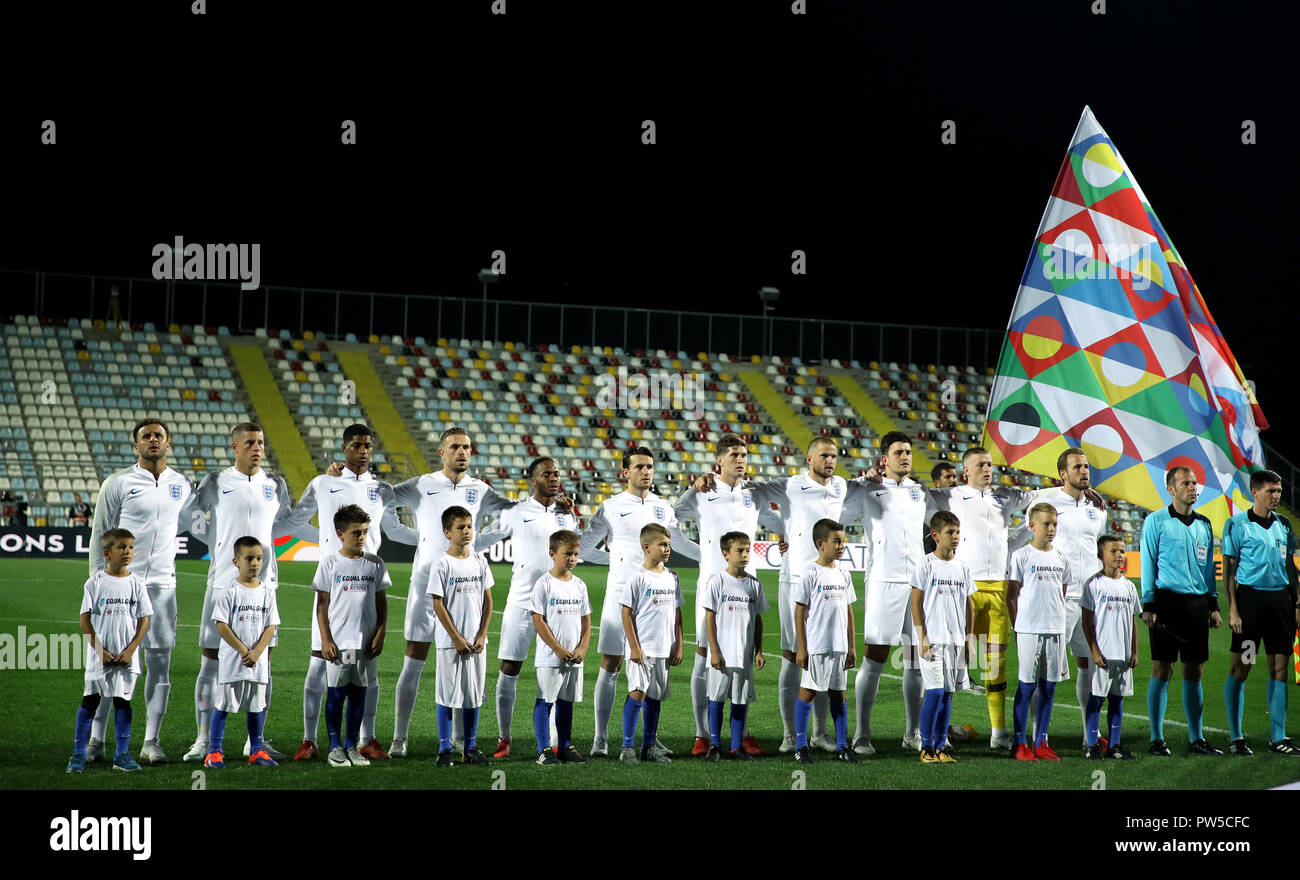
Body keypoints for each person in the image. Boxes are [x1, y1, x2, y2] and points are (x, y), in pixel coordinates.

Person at [388, 427, 567, 757]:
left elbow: (520, 507)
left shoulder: (481, 490)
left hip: (467, 590)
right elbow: (381, 497)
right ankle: (400, 737)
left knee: (465, 658)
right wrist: (404, 535)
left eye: (467, 447)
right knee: (413, 660)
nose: (462, 452)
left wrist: (556, 504)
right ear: (442, 453)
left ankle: (459, 740)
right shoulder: (422, 485)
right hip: (426, 585)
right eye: (455, 447)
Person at [279, 424, 416, 762]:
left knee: (368, 668)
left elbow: (395, 528)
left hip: (368, 585)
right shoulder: (323, 483)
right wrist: (326, 539)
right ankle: (310, 740)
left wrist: (432, 542)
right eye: (357, 445)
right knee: (318, 665)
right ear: (344, 448)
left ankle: (366, 738)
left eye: (369, 445)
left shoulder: (382, 489)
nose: (364, 451)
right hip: (334, 584)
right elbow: (296, 522)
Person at [181, 423, 297, 763]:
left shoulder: (275, 485)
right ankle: (204, 740)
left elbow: (284, 522)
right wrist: (215, 542)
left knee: (263, 660)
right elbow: (189, 515)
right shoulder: (217, 481)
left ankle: (254, 741)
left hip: (265, 586)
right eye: (249, 442)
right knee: (211, 659)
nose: (257, 448)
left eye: (261, 442)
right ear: (235, 447)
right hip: (222, 582)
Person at [741, 436, 862, 753]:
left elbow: (865, 489)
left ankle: (820, 734)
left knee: (824, 657)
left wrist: (874, 478)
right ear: (809, 459)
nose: (830, 461)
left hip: (828, 579)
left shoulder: (841, 487)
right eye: (824, 455)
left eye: (834, 456)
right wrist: (782, 529)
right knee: (793, 659)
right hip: (794, 578)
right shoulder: (792, 485)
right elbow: (754, 491)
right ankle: (789, 734)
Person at [578, 446, 699, 758]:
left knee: (655, 666)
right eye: (639, 467)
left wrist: (712, 555)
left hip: (655, 601)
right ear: (625, 472)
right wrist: (615, 562)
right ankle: (601, 738)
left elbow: (680, 542)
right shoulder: (611, 506)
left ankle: (649, 739)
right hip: (621, 595)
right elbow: (585, 547)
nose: (646, 472)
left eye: (650, 466)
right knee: (611, 664)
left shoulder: (662, 506)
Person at [85, 418, 193, 765]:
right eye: (146, 436)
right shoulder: (118, 484)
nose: (152, 440)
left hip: (163, 587)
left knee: (160, 665)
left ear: (168, 443)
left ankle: (151, 742)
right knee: (110, 664)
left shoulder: (182, 484)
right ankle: (96, 741)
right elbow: (100, 533)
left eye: (158, 435)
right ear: (137, 446)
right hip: (120, 586)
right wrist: (99, 583)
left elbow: (198, 522)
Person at [470, 456, 580, 759]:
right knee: (510, 668)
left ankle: (556, 740)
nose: (554, 478)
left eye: (557, 473)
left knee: (557, 670)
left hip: (558, 606)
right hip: (521, 601)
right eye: (547, 474)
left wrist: (572, 514)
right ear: (533, 480)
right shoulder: (517, 512)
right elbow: (482, 539)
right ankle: (504, 739)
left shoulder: (565, 515)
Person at [1008, 447, 1109, 752]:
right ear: (1063, 473)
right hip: (1055, 599)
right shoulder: (1045, 502)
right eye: (1077, 467)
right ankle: (1040, 739)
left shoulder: (1097, 509)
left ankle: (1089, 733)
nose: (1085, 472)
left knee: (1090, 665)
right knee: (1039, 672)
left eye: (1086, 467)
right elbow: (1017, 538)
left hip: (1089, 598)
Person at [674, 433, 767, 757]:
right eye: (734, 455)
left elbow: (778, 520)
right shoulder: (704, 492)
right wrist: (692, 487)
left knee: (742, 662)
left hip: (745, 588)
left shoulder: (753, 494)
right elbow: (673, 518)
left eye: (743, 455)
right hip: (712, 587)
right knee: (705, 660)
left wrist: (787, 539)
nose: (740, 460)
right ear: (720, 461)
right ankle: (704, 734)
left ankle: (741, 734)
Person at [850, 431, 936, 754]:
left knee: (916, 661)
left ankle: (913, 733)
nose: (905, 457)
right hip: (883, 582)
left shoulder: (919, 492)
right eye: (899, 452)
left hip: (916, 584)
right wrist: (860, 481)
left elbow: (942, 519)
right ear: (883, 459)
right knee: (875, 658)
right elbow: (838, 513)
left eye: (909, 452)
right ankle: (862, 734)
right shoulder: (868, 489)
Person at [1140, 466, 1223, 757]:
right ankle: (1156, 738)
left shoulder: (1204, 524)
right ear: (1171, 489)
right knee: (1162, 668)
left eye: (1194, 483)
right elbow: (1148, 563)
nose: (1193, 487)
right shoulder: (1155, 521)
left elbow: (1208, 570)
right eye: (1185, 483)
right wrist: (1148, 604)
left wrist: (1213, 605)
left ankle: (1196, 738)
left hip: (1197, 605)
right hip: (1166, 603)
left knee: (1195, 670)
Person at [1222, 469, 1300, 756]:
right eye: (1271, 491)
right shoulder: (1236, 525)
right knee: (1242, 667)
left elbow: (1291, 567)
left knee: (1279, 669)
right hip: (1250, 604)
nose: (1276, 496)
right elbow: (1229, 572)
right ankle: (1236, 737)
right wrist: (1233, 609)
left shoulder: (1283, 525)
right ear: (1254, 492)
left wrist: (1298, 603)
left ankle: (1278, 737)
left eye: (1278, 491)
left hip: (1280, 603)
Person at [65, 528, 152, 774]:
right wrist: (100, 650)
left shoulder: (137, 582)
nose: (127, 552)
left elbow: (144, 619)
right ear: (107, 552)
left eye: (131, 547)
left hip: (126, 657)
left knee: (123, 702)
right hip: (99, 657)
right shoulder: (95, 583)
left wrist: (131, 650)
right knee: (90, 702)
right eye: (121, 547)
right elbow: (85, 620)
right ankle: (78, 754)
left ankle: (122, 755)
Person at [313, 505, 391, 768]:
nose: (361, 537)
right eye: (356, 532)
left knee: (359, 695)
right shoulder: (329, 564)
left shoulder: (375, 563)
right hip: (339, 641)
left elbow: (382, 601)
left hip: (366, 642)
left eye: (365, 532)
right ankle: (334, 746)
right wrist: (325, 639)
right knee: (336, 694)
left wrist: (380, 632)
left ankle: (351, 745)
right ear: (340, 533)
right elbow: (321, 605)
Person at [205, 536, 280, 769]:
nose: (255, 563)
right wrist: (243, 650)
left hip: (257, 661)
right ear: (236, 561)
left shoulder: (267, 590)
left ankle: (256, 750)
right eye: (249, 558)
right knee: (224, 705)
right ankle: (214, 752)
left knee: (256, 706)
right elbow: (221, 624)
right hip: (234, 660)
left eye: (259, 558)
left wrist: (257, 651)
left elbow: (271, 625)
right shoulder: (230, 590)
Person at [430, 506, 495, 767]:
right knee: (446, 695)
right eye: (460, 527)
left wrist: (482, 634)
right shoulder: (442, 564)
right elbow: (438, 604)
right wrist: (456, 637)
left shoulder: (480, 560)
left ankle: (470, 747)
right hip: (450, 644)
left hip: (476, 643)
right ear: (447, 532)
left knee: (473, 695)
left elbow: (488, 601)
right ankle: (445, 749)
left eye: (469, 526)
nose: (466, 531)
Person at [1007, 503, 1072, 761]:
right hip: (1029, 629)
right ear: (1032, 526)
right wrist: (1017, 626)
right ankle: (1019, 743)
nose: (1052, 529)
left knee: (1049, 687)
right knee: (1026, 686)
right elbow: (1011, 595)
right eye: (1046, 524)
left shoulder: (1062, 558)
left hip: (1055, 629)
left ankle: (1042, 741)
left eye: (1054, 524)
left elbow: (1061, 594)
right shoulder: (1021, 556)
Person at [791, 518, 858, 765]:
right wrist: (802, 646)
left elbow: (849, 611)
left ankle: (842, 746)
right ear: (821, 544)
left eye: (843, 541)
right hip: (817, 644)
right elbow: (800, 611)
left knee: (839, 696)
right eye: (836, 541)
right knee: (807, 692)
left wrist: (851, 645)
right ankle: (800, 746)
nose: (842, 546)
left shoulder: (844, 572)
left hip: (840, 645)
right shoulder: (810, 573)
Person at [910, 510, 975, 764]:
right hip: (933, 639)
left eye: (958, 532)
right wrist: (922, 637)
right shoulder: (925, 564)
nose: (956, 536)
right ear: (936, 535)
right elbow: (915, 603)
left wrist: (969, 639)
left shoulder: (963, 567)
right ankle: (926, 747)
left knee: (948, 693)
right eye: (950, 532)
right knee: (935, 693)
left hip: (956, 639)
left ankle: (940, 747)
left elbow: (969, 605)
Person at [618, 523, 685, 764]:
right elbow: (626, 613)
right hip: (642, 649)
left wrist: (679, 643)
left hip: (664, 648)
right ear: (647, 547)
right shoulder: (637, 578)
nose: (667, 549)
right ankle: (627, 747)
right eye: (662, 545)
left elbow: (677, 613)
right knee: (637, 693)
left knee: (655, 697)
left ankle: (649, 746)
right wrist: (634, 646)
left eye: (668, 544)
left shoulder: (672, 577)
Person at [703, 531, 769, 761]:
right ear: (725, 553)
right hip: (722, 654)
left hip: (744, 654)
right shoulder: (717, 581)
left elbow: (757, 618)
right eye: (739, 550)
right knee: (717, 699)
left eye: (748, 550)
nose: (745, 554)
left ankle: (735, 747)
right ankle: (714, 745)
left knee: (740, 700)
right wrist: (714, 650)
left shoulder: (754, 584)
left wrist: (758, 650)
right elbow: (709, 617)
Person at [528, 529, 591, 765]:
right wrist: (557, 649)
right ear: (553, 554)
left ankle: (565, 745)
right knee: (546, 700)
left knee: (567, 701)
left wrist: (583, 649)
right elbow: (538, 619)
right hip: (550, 657)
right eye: (567, 554)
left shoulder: (580, 585)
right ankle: (544, 749)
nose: (572, 559)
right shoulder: (544, 584)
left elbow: (586, 621)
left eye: (575, 554)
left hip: (575, 657)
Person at [1080, 533, 1139, 760]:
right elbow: (1086, 620)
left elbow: (1133, 620)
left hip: (1123, 656)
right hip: (1102, 655)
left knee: (1117, 700)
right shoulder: (1094, 584)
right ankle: (1092, 744)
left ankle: (1115, 746)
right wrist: (1093, 649)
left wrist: (1134, 651)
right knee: (1096, 700)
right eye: (1113, 551)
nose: (1119, 555)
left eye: (1122, 550)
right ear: (1100, 555)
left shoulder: (1129, 587)